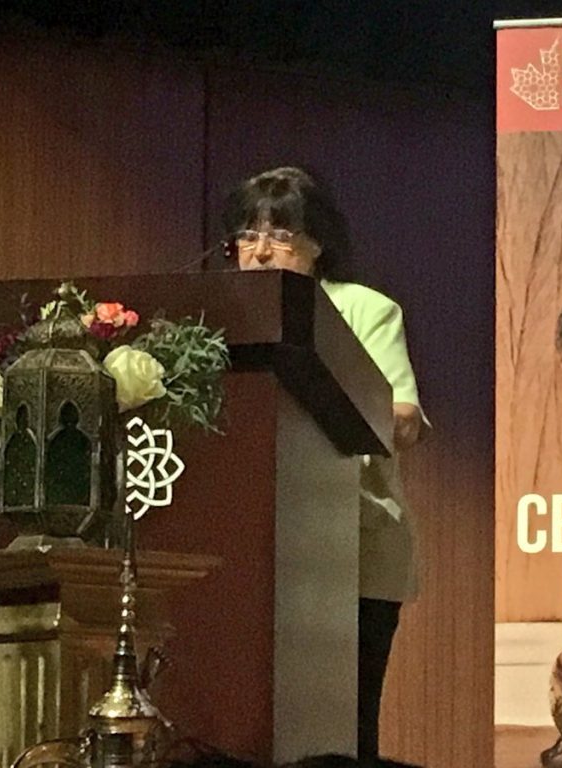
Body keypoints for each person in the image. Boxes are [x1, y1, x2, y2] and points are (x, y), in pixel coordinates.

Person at [222, 167, 427, 764]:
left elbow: (405, 419)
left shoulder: (363, 310)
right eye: (248, 235)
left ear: (317, 244)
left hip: (352, 547)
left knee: (344, 731)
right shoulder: (219, 315)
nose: (260, 252)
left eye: (280, 235)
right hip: (245, 552)